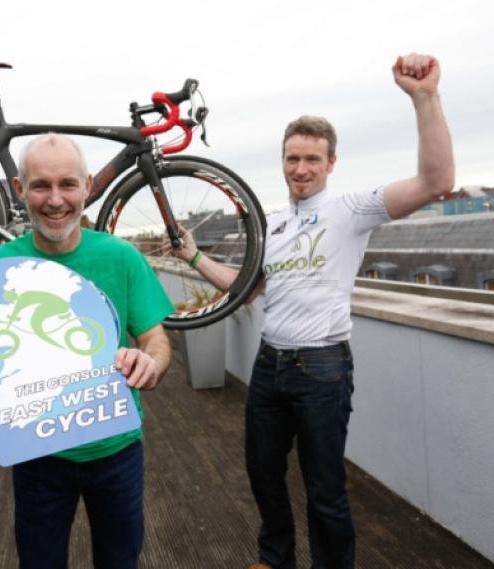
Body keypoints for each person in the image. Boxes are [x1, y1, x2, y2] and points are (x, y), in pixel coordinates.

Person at [169, 53, 454, 569]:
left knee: (324, 488)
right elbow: (248, 289)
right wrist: (192, 255)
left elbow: (435, 182)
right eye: (292, 158)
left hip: (322, 368)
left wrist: (425, 98)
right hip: (270, 364)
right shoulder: (272, 224)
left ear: (331, 163)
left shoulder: (351, 211)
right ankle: (274, 558)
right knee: (262, 475)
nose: (300, 169)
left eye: (312, 160)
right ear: (282, 160)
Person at [0, 133, 173, 569]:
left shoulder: (121, 257)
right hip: (38, 455)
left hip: (117, 450)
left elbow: (155, 339)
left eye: (67, 184)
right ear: (19, 190)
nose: (55, 200)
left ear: (86, 186)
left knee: (120, 561)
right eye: (40, 185)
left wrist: (150, 362)